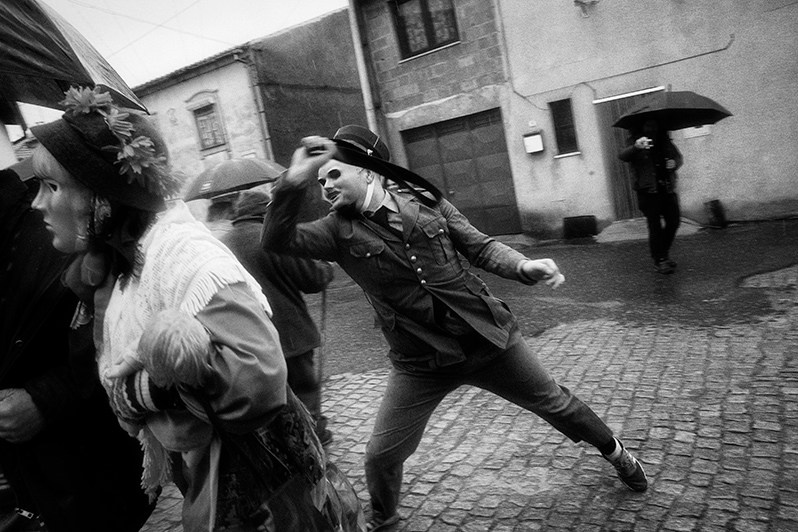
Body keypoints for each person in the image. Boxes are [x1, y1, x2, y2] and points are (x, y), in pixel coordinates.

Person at [262, 125, 649, 531]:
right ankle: (385, 521)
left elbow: (479, 246)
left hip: (486, 339)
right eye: (321, 179)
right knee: (380, 455)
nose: (325, 185)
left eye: (335, 174)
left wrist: (522, 266)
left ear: (370, 172)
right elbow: (275, 239)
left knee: (558, 405)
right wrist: (294, 180)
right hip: (420, 361)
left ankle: (617, 452)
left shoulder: (427, 203)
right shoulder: (334, 232)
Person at [28, 87, 363, 532]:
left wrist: (137, 390)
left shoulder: (185, 255)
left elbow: (256, 377)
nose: (38, 203)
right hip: (208, 471)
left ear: (104, 197)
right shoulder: (127, 264)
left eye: (52, 186)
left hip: (256, 486)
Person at [0, 166, 154, 531]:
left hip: (88, 471)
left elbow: (120, 349)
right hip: (26, 481)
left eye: (51, 186)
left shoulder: (65, 233)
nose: (43, 198)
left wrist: (44, 399)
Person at [217, 185, 335, 445]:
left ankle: (283, 441)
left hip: (248, 338)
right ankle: (313, 434)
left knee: (272, 395)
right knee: (304, 389)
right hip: (290, 333)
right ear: (265, 213)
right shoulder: (273, 239)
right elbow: (312, 279)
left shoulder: (221, 245)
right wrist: (325, 269)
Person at [618, 118, 684, 274]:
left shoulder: (665, 140)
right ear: (642, 126)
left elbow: (678, 158)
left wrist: (674, 164)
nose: (652, 127)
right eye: (648, 124)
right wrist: (636, 147)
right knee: (655, 227)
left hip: (667, 188)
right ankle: (660, 260)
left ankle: (662, 255)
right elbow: (622, 155)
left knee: (674, 222)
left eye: (654, 124)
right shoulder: (635, 141)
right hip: (648, 192)